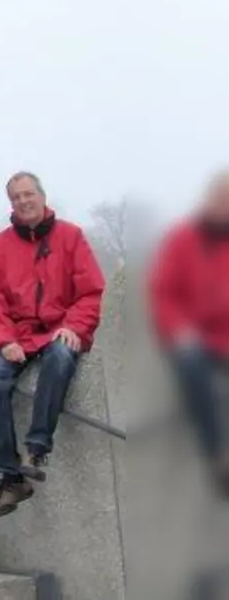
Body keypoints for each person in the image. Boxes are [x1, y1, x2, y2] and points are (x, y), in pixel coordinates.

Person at [0, 172, 106, 518]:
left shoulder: (71, 236)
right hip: (17, 334)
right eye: (16, 197)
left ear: (42, 195)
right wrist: (4, 341)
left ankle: (37, 448)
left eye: (28, 194)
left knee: (63, 356)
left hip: (57, 328)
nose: (23, 201)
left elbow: (91, 291)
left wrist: (74, 326)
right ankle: (9, 474)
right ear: (11, 204)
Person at [147, 170, 229, 497]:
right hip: (195, 336)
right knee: (192, 367)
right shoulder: (183, 239)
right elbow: (164, 293)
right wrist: (180, 329)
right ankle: (217, 454)